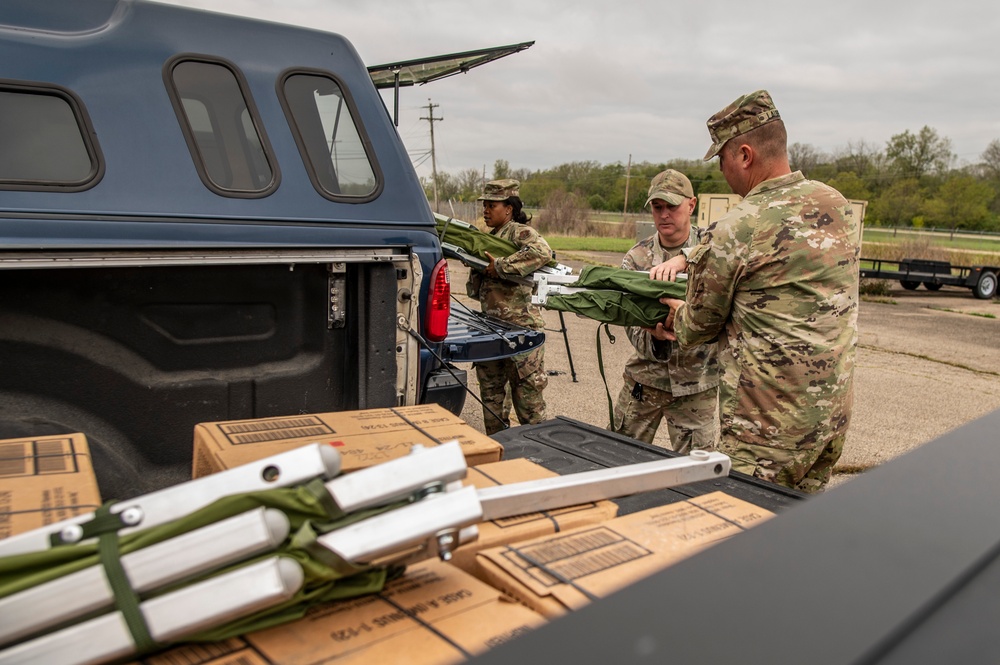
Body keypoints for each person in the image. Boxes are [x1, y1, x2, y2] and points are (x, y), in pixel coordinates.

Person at [656, 90, 861, 493]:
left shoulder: (741, 226)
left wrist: (672, 314)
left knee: (741, 533)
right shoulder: (835, 204)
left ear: (745, 155)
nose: (721, 171)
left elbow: (698, 325)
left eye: (722, 159)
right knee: (795, 530)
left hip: (766, 429)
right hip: (829, 417)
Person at [611, 170, 719, 453]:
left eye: (672, 206)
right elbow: (630, 323)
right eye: (658, 207)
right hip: (645, 381)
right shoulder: (637, 258)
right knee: (618, 457)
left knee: (696, 475)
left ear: (691, 205)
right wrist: (656, 337)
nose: (664, 215)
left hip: (697, 386)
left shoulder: (716, 250)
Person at [467, 178, 552, 434]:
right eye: (485, 205)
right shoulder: (491, 238)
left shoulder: (518, 232)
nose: (486, 210)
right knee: (492, 401)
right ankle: (499, 452)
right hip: (491, 329)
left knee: (529, 405)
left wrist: (501, 266)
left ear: (509, 209)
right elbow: (476, 292)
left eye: (492, 205)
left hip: (521, 333)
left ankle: (539, 457)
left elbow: (543, 251)